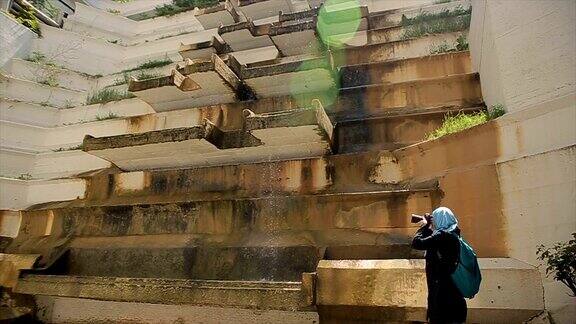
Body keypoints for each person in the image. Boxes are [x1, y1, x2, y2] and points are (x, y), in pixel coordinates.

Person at [412, 207, 467, 324]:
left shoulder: (442, 236)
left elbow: (417, 243)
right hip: (453, 292)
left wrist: (425, 226)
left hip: (441, 297)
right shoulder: (454, 234)